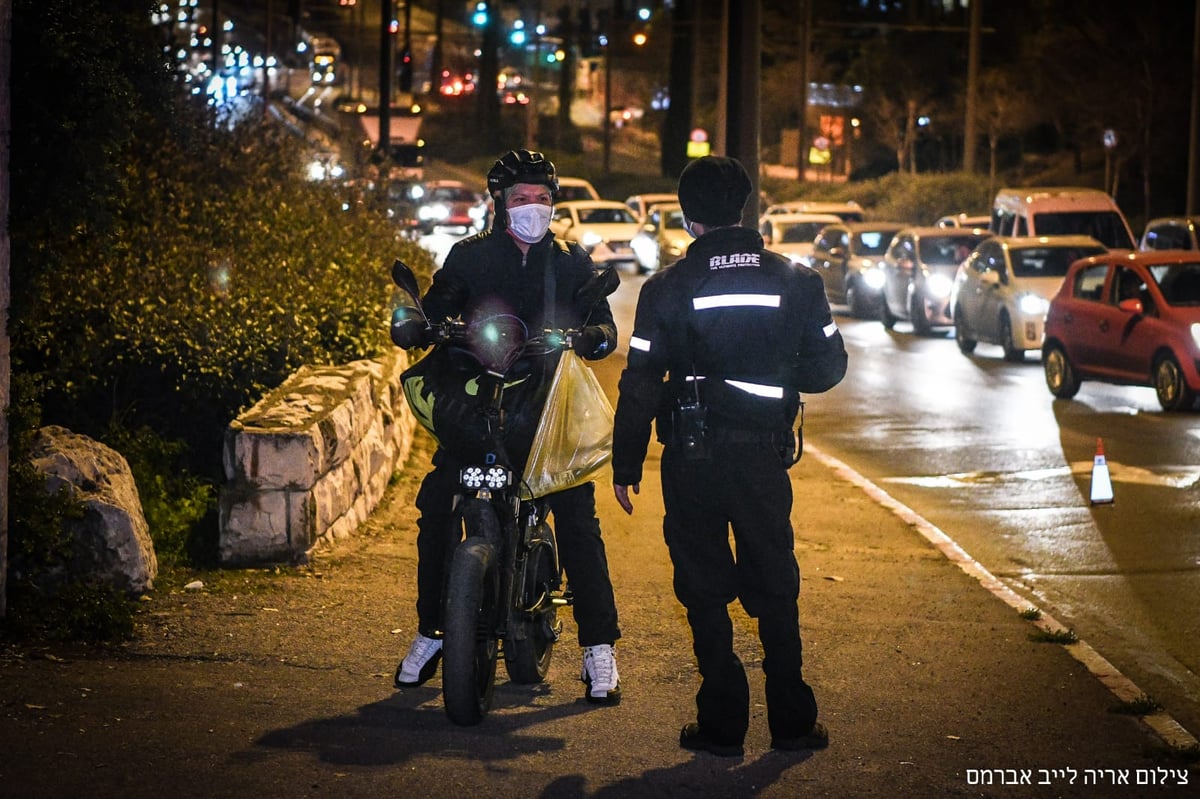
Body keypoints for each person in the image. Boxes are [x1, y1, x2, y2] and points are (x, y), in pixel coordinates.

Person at [610, 155, 847, 756]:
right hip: (764, 460)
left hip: (691, 463)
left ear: (688, 218)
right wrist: (772, 374)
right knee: (775, 579)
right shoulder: (797, 281)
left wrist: (625, 465)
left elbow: (639, 383)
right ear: (745, 209)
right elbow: (828, 369)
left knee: (703, 585)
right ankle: (792, 722)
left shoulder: (665, 288)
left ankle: (721, 726)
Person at [392, 149, 623, 704]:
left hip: (550, 414)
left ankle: (599, 650)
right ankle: (433, 630)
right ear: (499, 203)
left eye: (543, 200)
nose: (534, 209)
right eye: (522, 199)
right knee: (438, 505)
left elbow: (604, 325)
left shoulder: (571, 261)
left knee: (578, 519)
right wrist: (420, 325)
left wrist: (594, 337)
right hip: (480, 409)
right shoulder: (469, 257)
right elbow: (438, 302)